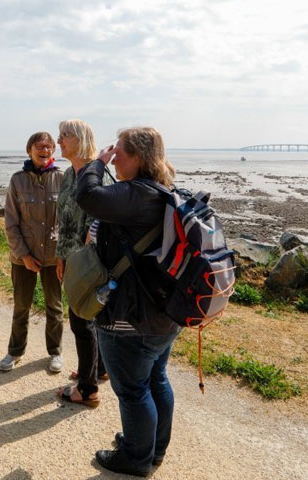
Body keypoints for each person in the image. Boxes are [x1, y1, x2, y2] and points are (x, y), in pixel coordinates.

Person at [76, 126, 180, 477]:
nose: (114, 157)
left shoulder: (134, 193)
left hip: (130, 318)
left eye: (118, 151)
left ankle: (136, 458)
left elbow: (87, 196)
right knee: (155, 379)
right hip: (162, 313)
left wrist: (96, 163)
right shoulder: (163, 190)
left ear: (137, 157)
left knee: (134, 390)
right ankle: (152, 450)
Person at [54, 119, 112, 407]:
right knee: (86, 318)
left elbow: (100, 223)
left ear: (81, 139)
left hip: (91, 263)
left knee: (82, 320)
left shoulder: (97, 174)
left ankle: (88, 389)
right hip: (72, 258)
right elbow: (63, 220)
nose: (58, 141)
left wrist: (79, 263)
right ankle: (97, 369)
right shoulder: (68, 174)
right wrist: (61, 257)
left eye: (65, 135)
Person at [0, 131, 64, 373]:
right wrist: (24, 256)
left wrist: (63, 255)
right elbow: (10, 222)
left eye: (49, 147)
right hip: (22, 257)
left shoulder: (62, 178)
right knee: (21, 306)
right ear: (30, 150)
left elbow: (68, 221)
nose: (44, 150)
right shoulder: (17, 180)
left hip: (53, 257)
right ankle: (15, 351)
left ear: (53, 150)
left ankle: (55, 352)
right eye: (39, 146)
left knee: (55, 307)